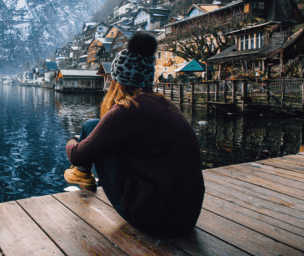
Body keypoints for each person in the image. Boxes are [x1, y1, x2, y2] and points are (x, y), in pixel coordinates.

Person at [64, 32, 205, 237]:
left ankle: (82, 173)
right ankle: (82, 173)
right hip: (188, 216)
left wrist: (73, 140)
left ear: (118, 81)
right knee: (94, 125)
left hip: (155, 219)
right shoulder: (164, 105)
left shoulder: (127, 110)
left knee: (93, 137)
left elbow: (76, 154)